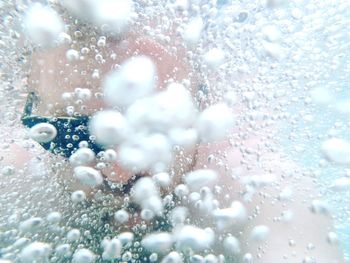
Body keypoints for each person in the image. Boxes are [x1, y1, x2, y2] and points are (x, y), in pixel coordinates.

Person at [0, 1, 346, 263]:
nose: (118, 171)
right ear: (31, 112)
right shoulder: (14, 182)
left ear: (201, 105)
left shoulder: (253, 192)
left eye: (154, 130)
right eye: (74, 136)